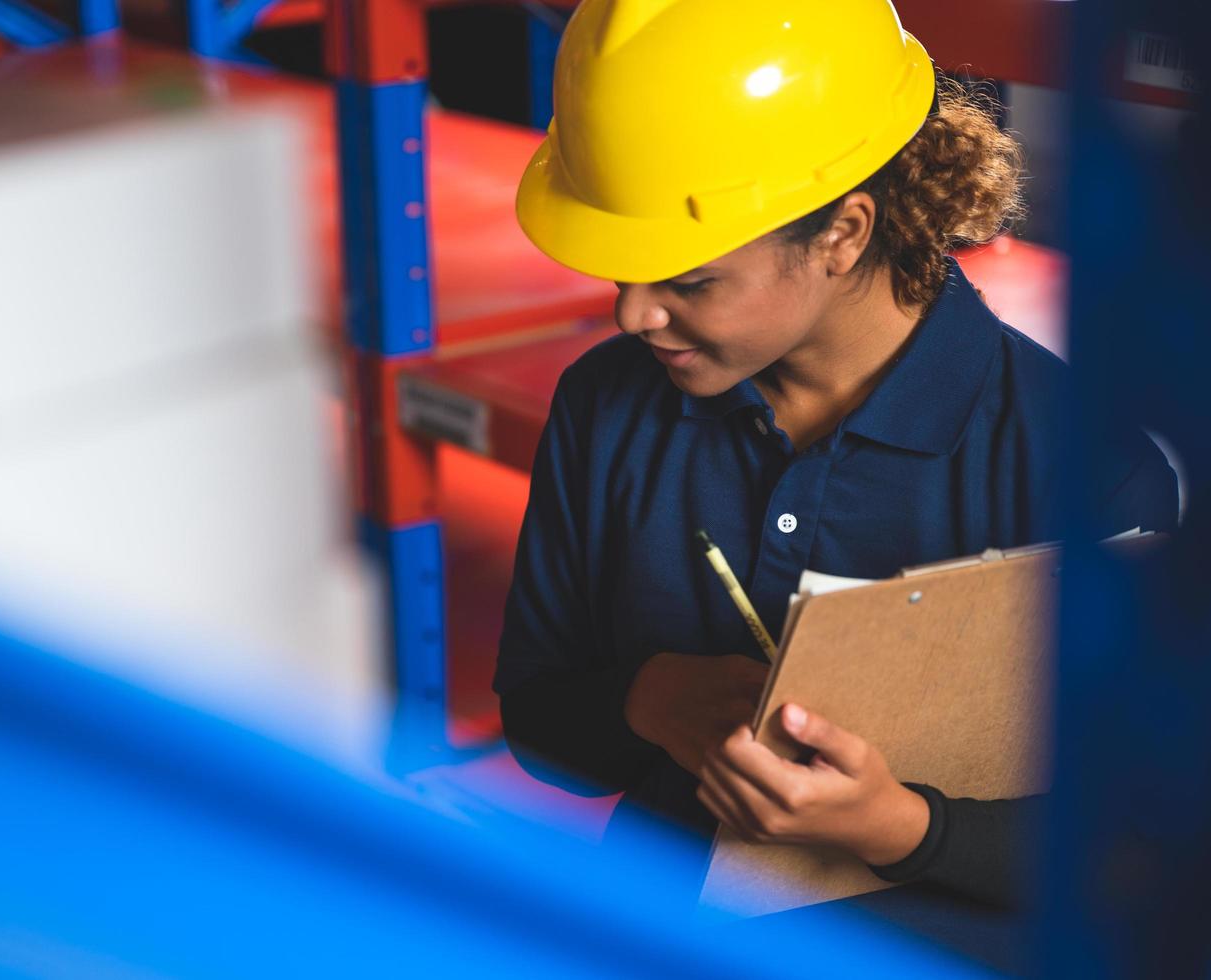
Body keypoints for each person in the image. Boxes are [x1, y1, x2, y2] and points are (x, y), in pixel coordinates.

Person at [493, 0, 1180, 921]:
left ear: (844, 233)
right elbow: (539, 722)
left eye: (688, 280)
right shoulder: (605, 406)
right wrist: (644, 697)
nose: (633, 315)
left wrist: (901, 828)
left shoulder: (1085, 474)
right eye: (623, 273)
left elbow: (1141, 859)